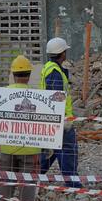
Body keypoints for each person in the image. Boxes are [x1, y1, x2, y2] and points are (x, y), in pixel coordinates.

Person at [0, 55, 42, 201]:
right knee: (28, 182)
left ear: (13, 74)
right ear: (29, 75)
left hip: (7, 147)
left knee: (6, 179)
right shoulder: (37, 96)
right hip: (31, 148)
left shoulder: (2, 95)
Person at [39, 37, 80, 188]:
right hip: (61, 121)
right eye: (65, 51)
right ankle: (73, 185)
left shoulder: (49, 67)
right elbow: (55, 96)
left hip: (53, 119)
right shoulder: (55, 72)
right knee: (68, 152)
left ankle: (30, 179)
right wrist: (61, 121)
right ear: (62, 53)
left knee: (50, 152)